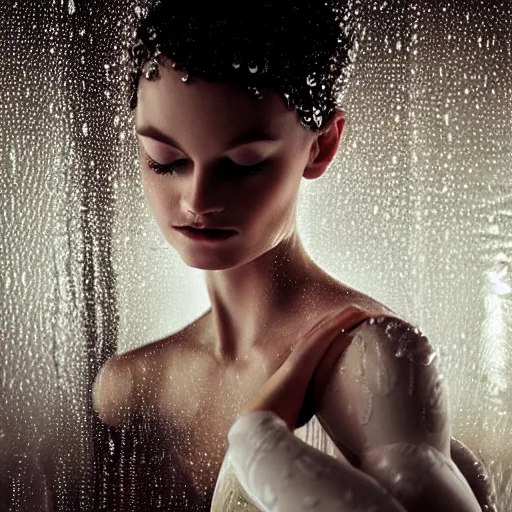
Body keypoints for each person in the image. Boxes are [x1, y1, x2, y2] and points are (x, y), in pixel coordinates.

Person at [92, 1, 496, 510]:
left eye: (243, 165)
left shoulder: (368, 360)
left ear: (321, 146)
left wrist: (262, 445)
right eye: (165, 160)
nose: (196, 201)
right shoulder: (130, 387)